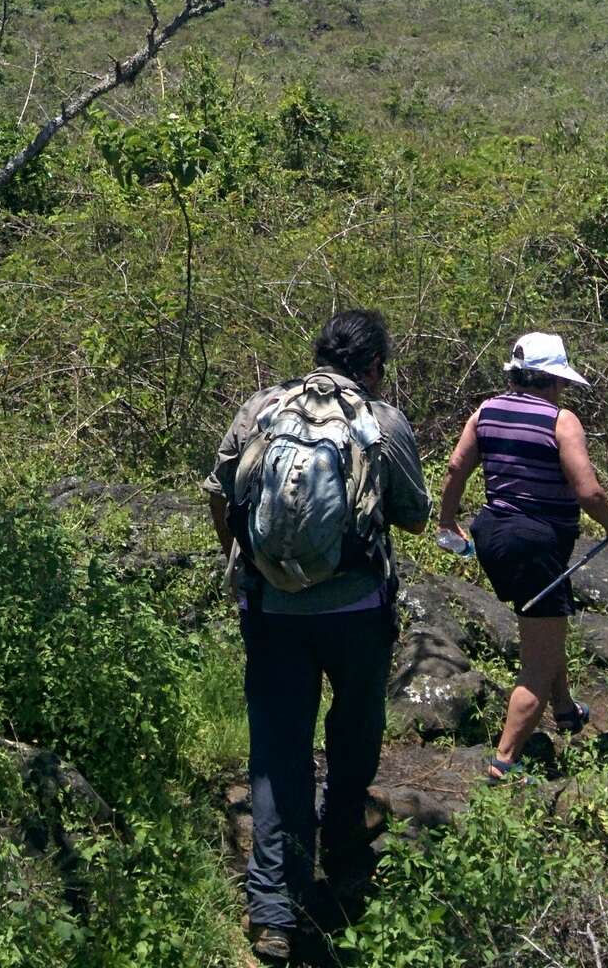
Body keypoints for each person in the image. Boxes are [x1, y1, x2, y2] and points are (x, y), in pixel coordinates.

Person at [205, 310, 430, 963]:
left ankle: (274, 911)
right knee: (354, 732)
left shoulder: (264, 407)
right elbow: (414, 517)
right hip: (357, 612)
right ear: (374, 366)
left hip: (273, 611)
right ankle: (344, 859)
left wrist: (244, 568)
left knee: (278, 753)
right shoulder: (382, 423)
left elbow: (220, 491)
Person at [438, 330, 608, 781]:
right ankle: (504, 762)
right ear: (551, 379)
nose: (564, 389)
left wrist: (448, 523)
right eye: (561, 381)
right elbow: (588, 490)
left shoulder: (485, 411)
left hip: (491, 536)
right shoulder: (560, 420)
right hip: (535, 545)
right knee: (538, 663)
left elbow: (455, 468)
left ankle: (565, 709)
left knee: (542, 624)